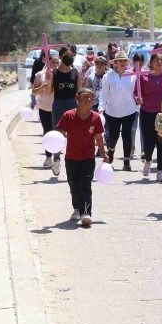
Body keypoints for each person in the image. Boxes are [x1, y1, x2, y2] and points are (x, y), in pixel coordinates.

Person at [56, 88, 109, 227]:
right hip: (71, 157)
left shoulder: (96, 118)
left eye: (92, 98)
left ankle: (86, 212)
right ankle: (77, 209)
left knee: (85, 184)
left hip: (88, 158)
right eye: (86, 96)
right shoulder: (68, 115)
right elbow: (59, 135)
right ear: (77, 98)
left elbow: (98, 137)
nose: (89, 99)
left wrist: (104, 154)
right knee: (73, 185)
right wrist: (56, 151)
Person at [98, 51, 138, 171]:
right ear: (114, 63)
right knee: (113, 136)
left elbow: (134, 93)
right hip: (112, 111)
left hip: (128, 110)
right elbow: (104, 93)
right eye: (119, 61)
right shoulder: (108, 76)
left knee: (127, 136)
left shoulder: (132, 76)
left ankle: (126, 161)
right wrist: (101, 107)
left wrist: (138, 104)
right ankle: (110, 153)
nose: (122, 63)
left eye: (124, 61)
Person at [137, 52, 162, 182]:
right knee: (148, 142)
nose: (159, 62)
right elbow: (136, 92)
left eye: (161, 60)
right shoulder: (143, 76)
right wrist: (137, 99)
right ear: (151, 62)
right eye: (156, 60)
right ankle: (148, 160)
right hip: (147, 112)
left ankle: (160, 171)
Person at [49, 46, 82, 176]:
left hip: (72, 103)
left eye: (71, 54)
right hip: (58, 103)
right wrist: (48, 79)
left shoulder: (76, 72)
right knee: (58, 133)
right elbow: (49, 91)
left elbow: (79, 92)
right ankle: (56, 158)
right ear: (61, 57)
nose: (69, 56)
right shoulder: (54, 72)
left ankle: (74, 161)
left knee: (74, 133)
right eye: (67, 54)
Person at [32, 52, 60, 167]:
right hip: (44, 108)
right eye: (52, 62)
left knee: (58, 134)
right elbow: (34, 91)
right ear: (47, 62)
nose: (54, 64)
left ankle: (56, 157)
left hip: (58, 107)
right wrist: (43, 86)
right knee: (47, 132)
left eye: (57, 62)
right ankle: (48, 157)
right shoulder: (40, 75)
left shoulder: (61, 75)